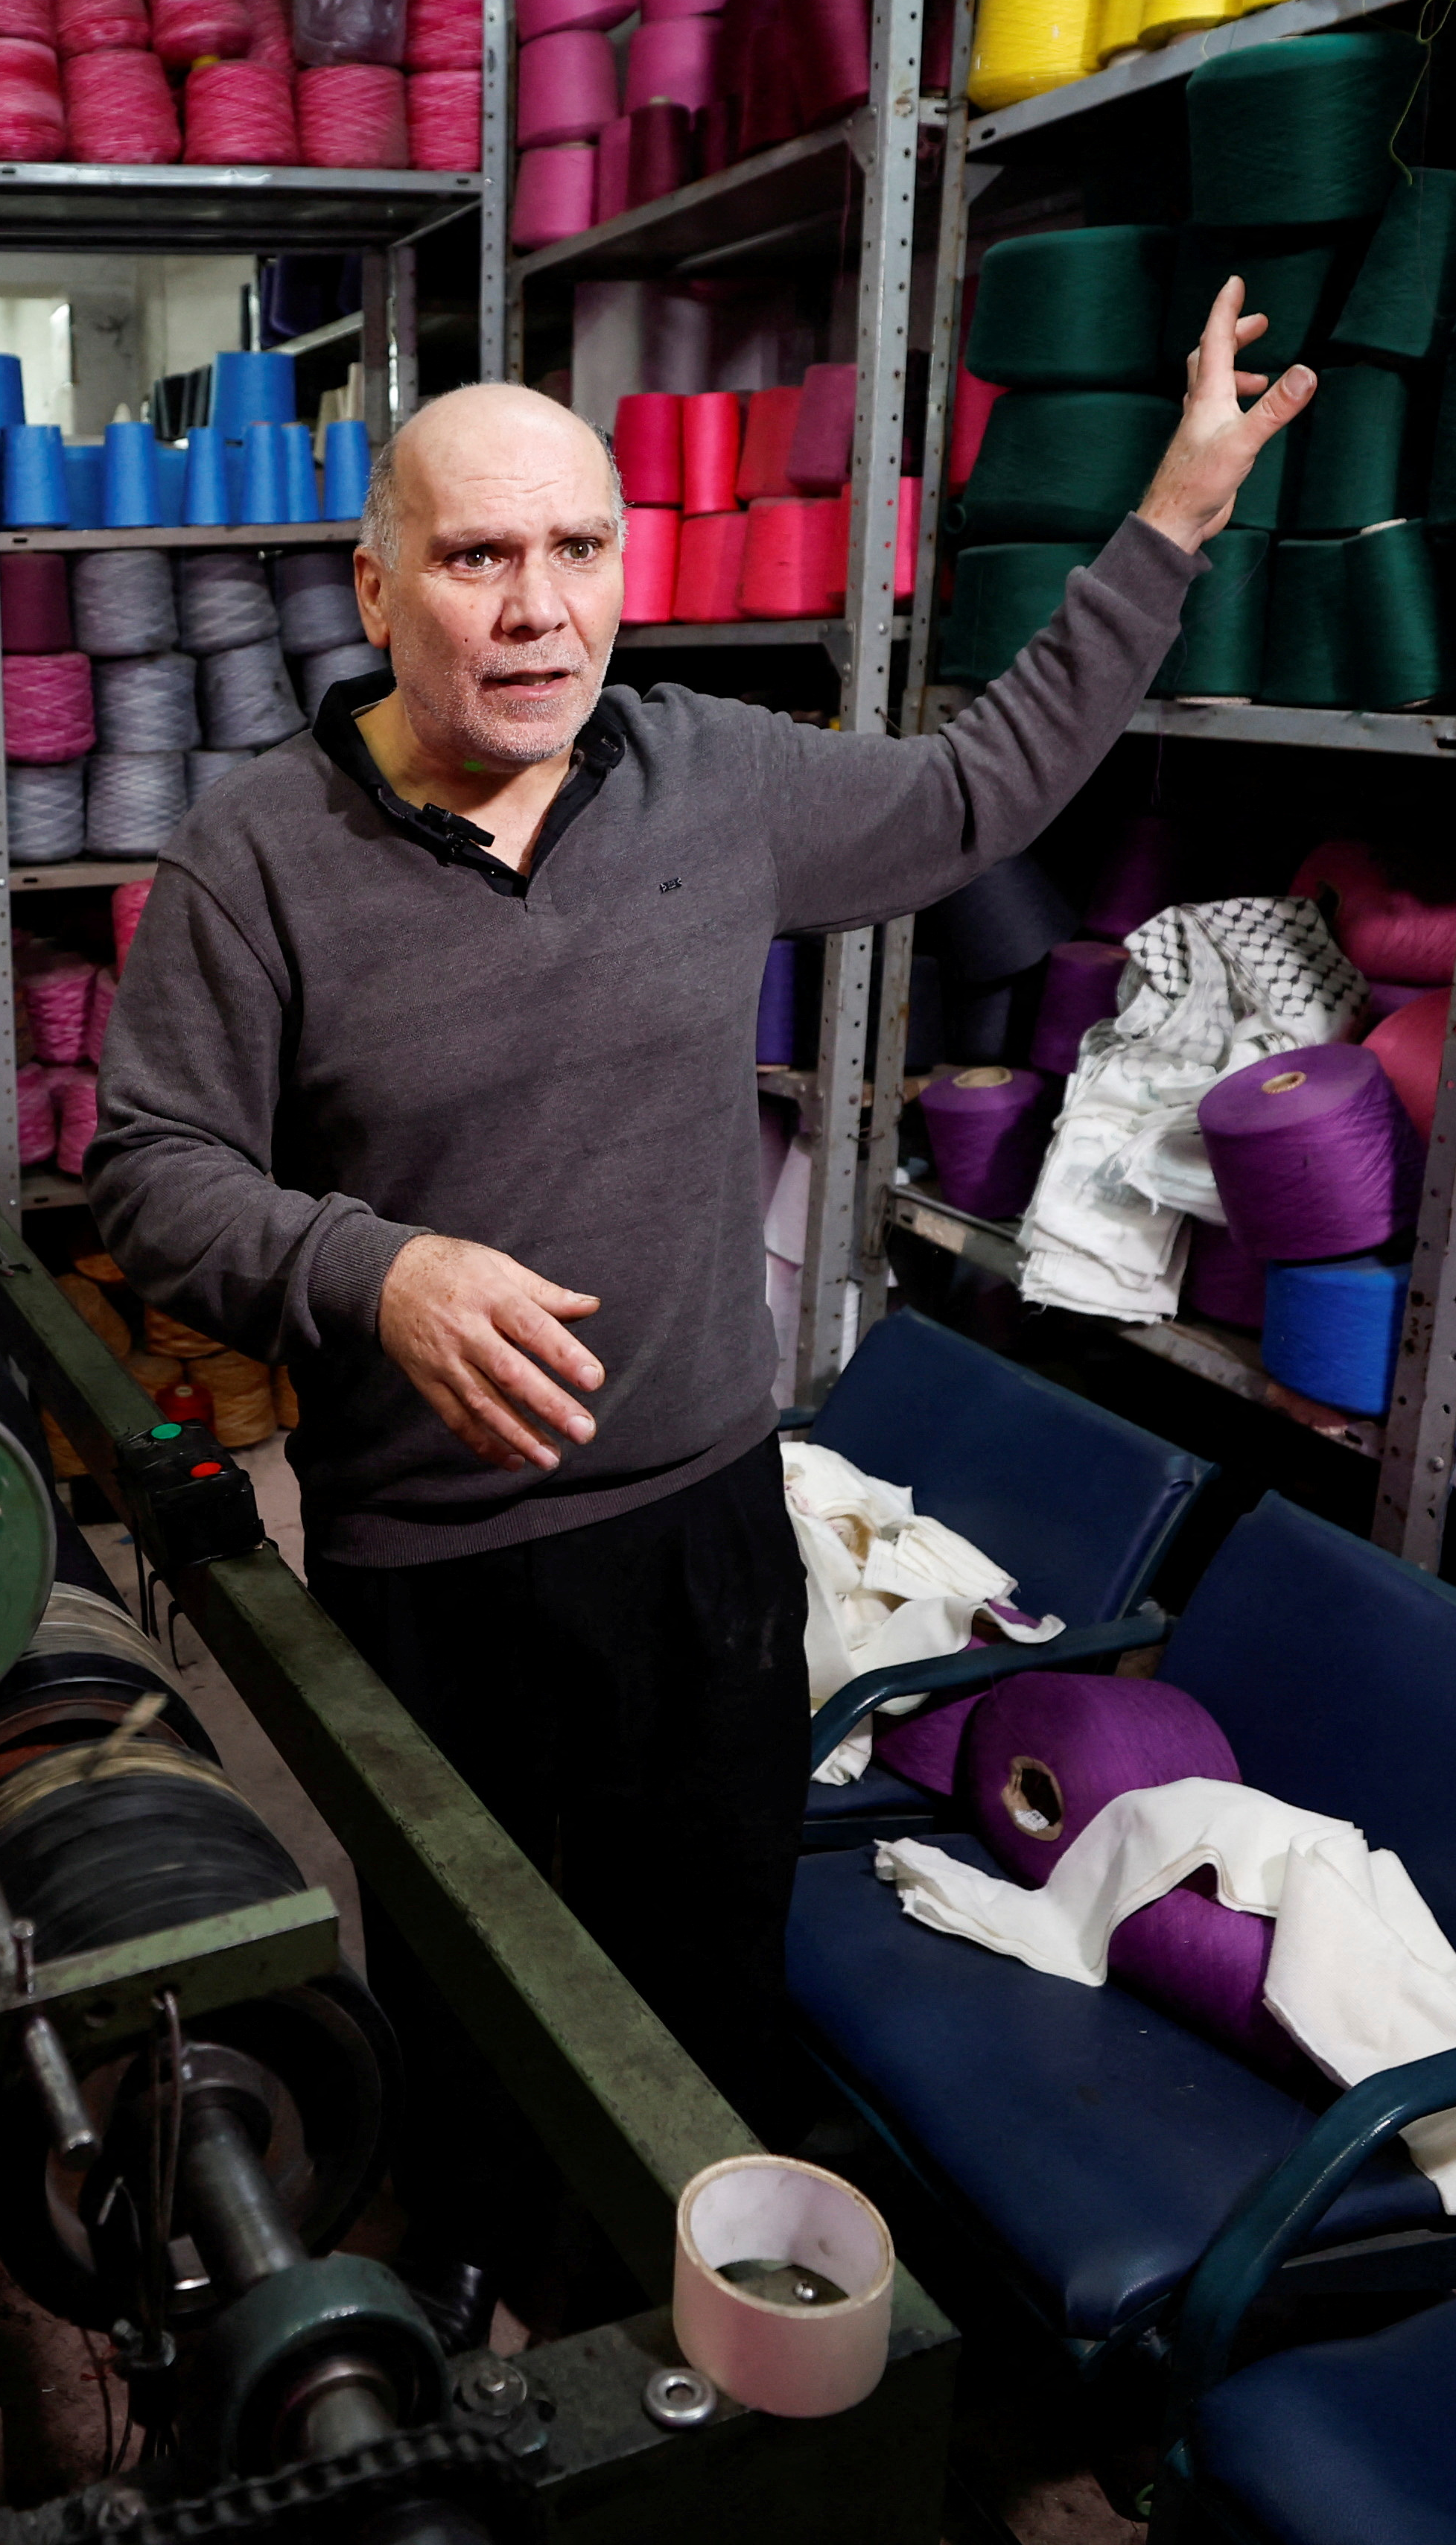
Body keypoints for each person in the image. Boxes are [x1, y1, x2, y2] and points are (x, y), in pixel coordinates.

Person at [87, 282, 1312, 2324]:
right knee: (487, 2050)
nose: (537, 608)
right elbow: (153, 1178)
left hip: (708, 1548)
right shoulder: (258, 862)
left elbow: (978, 790)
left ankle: (705, 2378)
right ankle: (504, 2367)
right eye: (479, 556)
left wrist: (1172, 516)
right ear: (376, 588)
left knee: (710, 1996)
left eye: (579, 551)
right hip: (434, 1580)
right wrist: (369, 1273)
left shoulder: (710, 779)